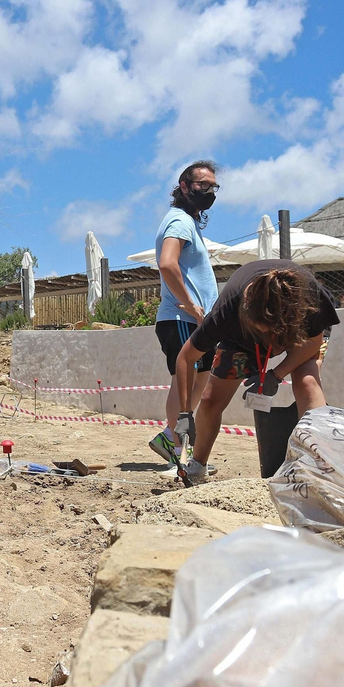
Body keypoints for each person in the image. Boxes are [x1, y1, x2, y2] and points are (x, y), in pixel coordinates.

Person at [169, 259, 339, 485]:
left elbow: (313, 342)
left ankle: (321, 467)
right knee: (210, 400)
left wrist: (276, 374)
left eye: (274, 334)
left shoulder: (310, 300)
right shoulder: (227, 312)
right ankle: (197, 467)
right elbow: (185, 358)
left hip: (301, 334)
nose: (271, 343)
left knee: (307, 382)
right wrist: (184, 412)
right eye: (263, 332)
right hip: (243, 340)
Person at [147, 160, 221, 468]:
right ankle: (177, 450)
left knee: (197, 384)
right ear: (183, 187)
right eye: (202, 185)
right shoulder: (178, 220)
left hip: (197, 322)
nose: (209, 191)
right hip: (181, 318)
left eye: (213, 187)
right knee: (186, 383)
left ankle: (171, 440)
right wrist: (190, 304)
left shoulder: (187, 222)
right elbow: (167, 263)